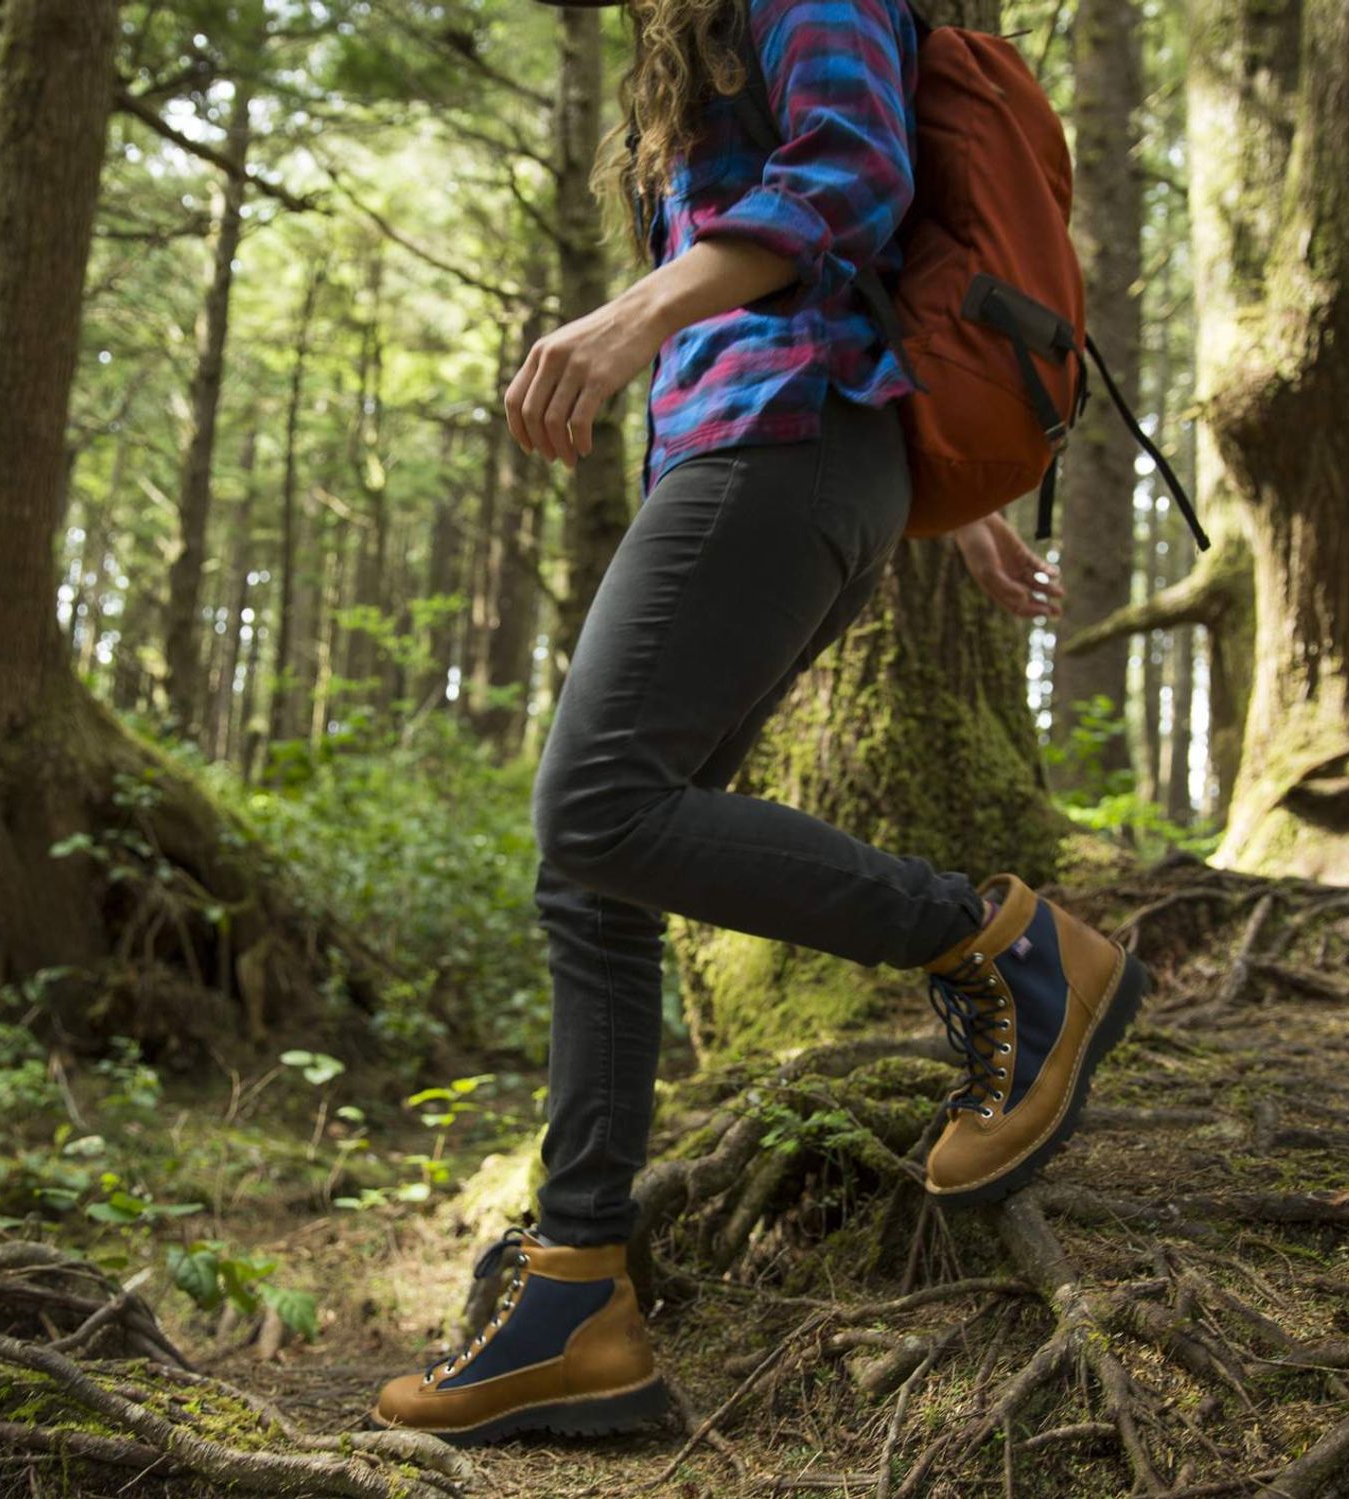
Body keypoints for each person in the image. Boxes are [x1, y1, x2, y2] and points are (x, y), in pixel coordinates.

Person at [372, 0, 1148, 1444]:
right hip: (763, 452)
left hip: (778, 446)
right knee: (593, 869)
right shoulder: (702, 34)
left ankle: (1007, 950)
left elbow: (858, 171)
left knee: (595, 807)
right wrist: (948, 502)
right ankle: (577, 1301)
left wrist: (635, 314)